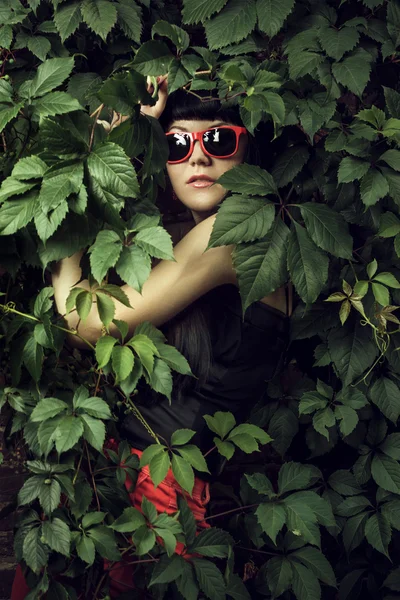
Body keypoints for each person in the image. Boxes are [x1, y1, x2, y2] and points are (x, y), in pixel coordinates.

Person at [11, 77, 291, 598]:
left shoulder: (233, 231)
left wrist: (65, 251)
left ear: (249, 145)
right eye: (178, 143)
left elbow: (89, 325)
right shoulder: (188, 237)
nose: (198, 159)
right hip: (127, 474)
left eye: (220, 139)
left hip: (158, 488)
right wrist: (119, 136)